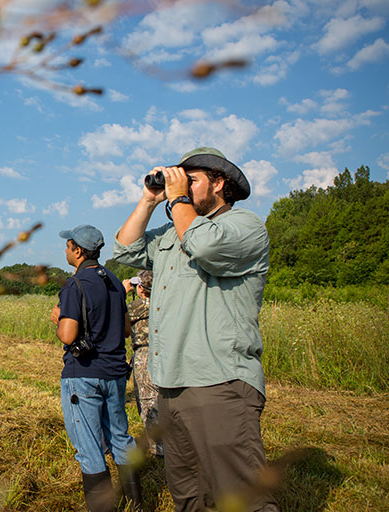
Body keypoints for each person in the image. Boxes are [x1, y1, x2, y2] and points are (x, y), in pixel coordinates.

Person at [113, 147, 279, 512]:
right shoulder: (172, 234)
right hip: (170, 384)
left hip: (218, 382)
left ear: (219, 183)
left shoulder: (244, 226)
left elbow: (203, 247)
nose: (181, 187)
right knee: (189, 495)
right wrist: (149, 200)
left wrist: (178, 200)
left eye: (191, 181)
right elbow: (125, 249)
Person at [50, 224, 143, 512]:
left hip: (84, 375)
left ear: (78, 251)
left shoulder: (74, 284)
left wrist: (58, 319)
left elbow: (68, 335)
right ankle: (136, 504)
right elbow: (126, 330)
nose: (66, 249)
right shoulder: (113, 281)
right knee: (120, 437)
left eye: (68, 246)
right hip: (115, 373)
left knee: (89, 447)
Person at [122, 270, 161, 458]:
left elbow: (117, 315)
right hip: (163, 353)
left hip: (145, 355)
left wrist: (122, 292)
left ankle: (158, 449)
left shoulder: (140, 306)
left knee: (148, 402)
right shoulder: (163, 303)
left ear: (142, 288)